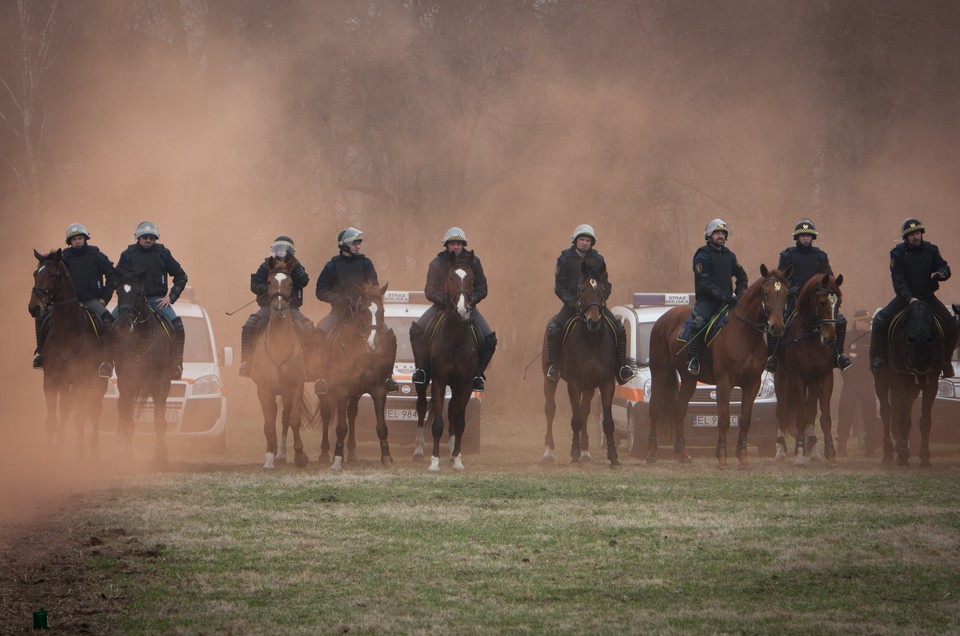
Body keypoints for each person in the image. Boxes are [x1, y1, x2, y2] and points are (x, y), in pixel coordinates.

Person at [409, 227, 497, 391]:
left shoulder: (474, 262)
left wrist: (470, 300)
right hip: (441, 307)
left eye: (459, 244)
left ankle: (477, 375)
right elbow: (430, 289)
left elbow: (482, 287)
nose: (456, 247)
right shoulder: (436, 263)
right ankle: (421, 370)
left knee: (490, 339)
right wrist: (444, 301)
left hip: (467, 307)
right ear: (446, 245)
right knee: (416, 331)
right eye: (453, 244)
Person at [544, 224, 634, 385]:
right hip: (572, 306)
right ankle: (553, 366)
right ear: (575, 241)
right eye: (582, 239)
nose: (585, 243)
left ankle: (622, 367)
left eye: (588, 240)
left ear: (592, 243)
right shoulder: (564, 259)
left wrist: (600, 301)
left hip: (595, 305)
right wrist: (574, 304)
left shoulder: (598, 260)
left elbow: (606, 284)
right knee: (554, 328)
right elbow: (559, 287)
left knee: (619, 328)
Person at [314, 227, 398, 394]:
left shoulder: (366, 263)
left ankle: (388, 377)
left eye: (359, 243)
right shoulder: (332, 266)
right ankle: (321, 377)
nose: (358, 246)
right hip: (339, 313)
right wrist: (340, 299)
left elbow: (374, 285)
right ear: (344, 245)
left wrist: (366, 299)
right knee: (321, 332)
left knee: (389, 335)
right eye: (355, 243)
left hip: (364, 312)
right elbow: (320, 291)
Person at [871, 218, 957, 378]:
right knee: (879, 321)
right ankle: (879, 359)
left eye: (917, 233)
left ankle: (946, 361)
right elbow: (898, 279)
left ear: (921, 234)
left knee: (953, 324)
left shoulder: (931, 249)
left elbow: (943, 266)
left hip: (928, 298)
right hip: (905, 299)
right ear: (906, 237)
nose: (915, 237)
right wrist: (910, 298)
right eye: (911, 235)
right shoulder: (897, 253)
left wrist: (942, 273)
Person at [766, 219, 852, 372]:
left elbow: (830, 278)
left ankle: (838, 355)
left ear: (813, 237)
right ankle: (774, 357)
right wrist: (790, 289)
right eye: (802, 235)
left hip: (819, 302)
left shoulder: (820, 256)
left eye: (809, 235)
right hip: (795, 300)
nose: (806, 238)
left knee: (841, 320)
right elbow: (780, 279)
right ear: (797, 237)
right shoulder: (788, 255)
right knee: (778, 321)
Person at [33, 223, 117, 377]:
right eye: (74, 239)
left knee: (109, 321)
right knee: (42, 318)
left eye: (80, 238)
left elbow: (112, 276)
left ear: (85, 239)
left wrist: (104, 299)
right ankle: (41, 355)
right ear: (69, 242)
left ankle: (106, 361)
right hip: (68, 302)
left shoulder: (97, 256)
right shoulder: (63, 258)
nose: (77, 241)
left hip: (92, 300)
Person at [113, 221, 188, 380]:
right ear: (138, 238)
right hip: (132, 301)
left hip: (156, 300)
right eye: (145, 237)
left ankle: (177, 364)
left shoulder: (163, 254)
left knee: (177, 325)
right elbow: (116, 277)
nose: (148, 240)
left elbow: (181, 276)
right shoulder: (127, 254)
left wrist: (170, 297)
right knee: (109, 321)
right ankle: (106, 361)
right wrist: (124, 293)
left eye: (151, 238)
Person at [238, 236, 314, 378]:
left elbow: (304, 281)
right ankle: (246, 363)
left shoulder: (295, 265)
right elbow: (254, 284)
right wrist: (268, 290)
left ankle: (309, 364)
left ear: (291, 252)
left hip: (291, 308)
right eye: (278, 249)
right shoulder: (266, 265)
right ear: (274, 250)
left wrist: (294, 265)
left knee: (308, 327)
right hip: (268, 306)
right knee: (249, 325)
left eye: (285, 250)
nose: (281, 252)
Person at [686, 218, 748, 375]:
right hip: (708, 301)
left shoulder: (730, 256)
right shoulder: (702, 255)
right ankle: (692, 359)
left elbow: (742, 276)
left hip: (728, 300)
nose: (720, 236)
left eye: (723, 233)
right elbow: (705, 283)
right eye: (717, 233)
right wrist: (725, 297)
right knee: (700, 323)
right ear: (709, 235)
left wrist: (740, 292)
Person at [837, 309, 880, 456]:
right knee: (845, 414)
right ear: (858, 322)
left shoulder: (873, 338)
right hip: (851, 382)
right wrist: (849, 374)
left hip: (867, 381)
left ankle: (870, 447)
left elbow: (875, 359)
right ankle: (842, 445)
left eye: (869, 322)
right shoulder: (847, 338)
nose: (868, 324)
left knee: (869, 414)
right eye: (866, 321)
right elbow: (843, 360)